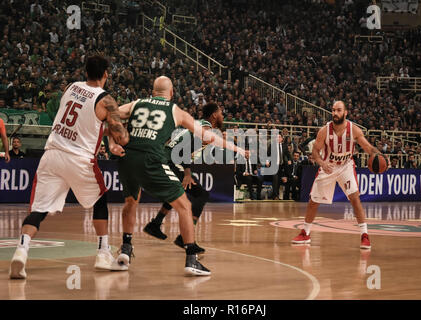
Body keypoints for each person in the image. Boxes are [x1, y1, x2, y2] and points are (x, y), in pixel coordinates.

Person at [110, 76, 246, 276]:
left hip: (127, 158)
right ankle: (191, 257)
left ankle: (126, 248)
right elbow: (208, 137)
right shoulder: (175, 110)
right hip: (153, 159)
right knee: (185, 206)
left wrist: (112, 143)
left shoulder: (137, 103)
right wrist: (237, 149)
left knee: (131, 201)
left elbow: (110, 114)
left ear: (152, 90)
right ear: (171, 93)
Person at [9, 55, 130, 279]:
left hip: (53, 154)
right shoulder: (107, 101)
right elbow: (122, 137)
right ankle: (103, 254)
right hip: (79, 159)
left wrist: (106, 134)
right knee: (100, 200)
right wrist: (121, 133)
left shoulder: (71, 87)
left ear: (86, 72)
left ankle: (21, 251)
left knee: (39, 209)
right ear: (106, 74)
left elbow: (86, 122)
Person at [292, 101, 386, 249]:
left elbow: (368, 147)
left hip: (346, 167)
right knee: (313, 201)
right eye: (333, 110)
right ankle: (305, 233)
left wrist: (380, 157)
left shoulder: (353, 130)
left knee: (355, 199)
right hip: (328, 166)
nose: (335, 113)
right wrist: (322, 163)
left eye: (339, 110)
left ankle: (365, 235)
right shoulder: (324, 130)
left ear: (345, 112)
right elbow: (315, 152)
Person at [143, 102, 227, 251]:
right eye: (220, 112)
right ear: (214, 115)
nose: (222, 115)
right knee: (201, 195)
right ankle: (184, 238)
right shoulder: (204, 128)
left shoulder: (199, 124)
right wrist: (187, 173)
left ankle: (155, 224)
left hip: (166, 158)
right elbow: (185, 149)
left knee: (177, 193)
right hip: (171, 161)